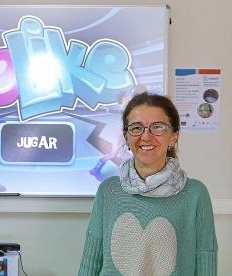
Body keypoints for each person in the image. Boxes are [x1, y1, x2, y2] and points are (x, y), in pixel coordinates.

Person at [79, 92, 217, 275]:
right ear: (126, 137)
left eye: (158, 127)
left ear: (174, 136)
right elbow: (90, 263)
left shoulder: (195, 194)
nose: (146, 136)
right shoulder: (109, 190)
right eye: (136, 128)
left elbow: (206, 263)